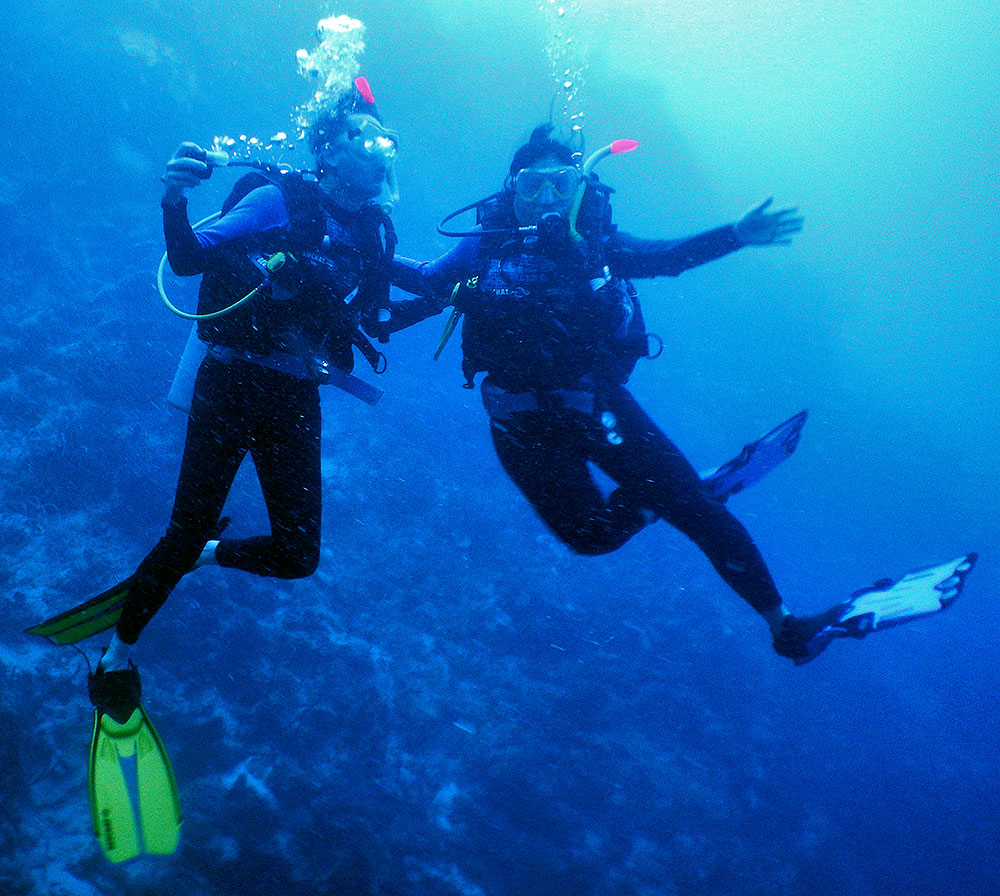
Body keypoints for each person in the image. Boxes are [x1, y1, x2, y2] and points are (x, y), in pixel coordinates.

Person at [387, 124, 975, 665]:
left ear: (578, 189)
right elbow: (426, 279)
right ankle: (658, 498)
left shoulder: (596, 244)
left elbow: (667, 258)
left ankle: (787, 628)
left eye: (560, 184)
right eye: (531, 184)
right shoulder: (483, 245)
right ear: (510, 188)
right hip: (519, 427)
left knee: (698, 513)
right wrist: (361, 256)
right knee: (590, 538)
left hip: (596, 407)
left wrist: (736, 236)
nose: (544, 198)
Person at [34, 78, 400, 697]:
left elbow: (376, 316)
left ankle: (204, 553)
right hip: (231, 381)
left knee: (297, 555)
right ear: (330, 151)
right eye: (366, 135)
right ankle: (117, 658)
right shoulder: (279, 201)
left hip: (294, 398)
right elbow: (187, 259)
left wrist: (464, 288)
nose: (382, 148)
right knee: (182, 529)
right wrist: (175, 199)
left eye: (386, 137)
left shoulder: (373, 233)